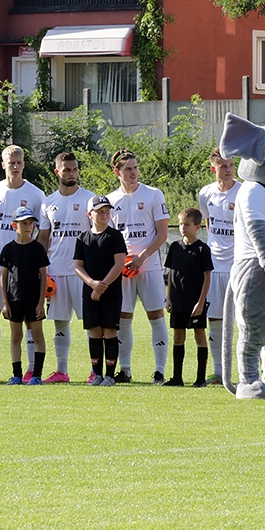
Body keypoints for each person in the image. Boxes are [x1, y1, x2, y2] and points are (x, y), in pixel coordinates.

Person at [0, 145, 45, 382]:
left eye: (18, 162)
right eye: (10, 162)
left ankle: (32, 370)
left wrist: (40, 260)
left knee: (30, 320)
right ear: (3, 165)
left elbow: (44, 231)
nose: (14, 166)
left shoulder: (36, 194)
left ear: (23, 164)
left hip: (27, 270)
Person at [106, 149, 170, 384]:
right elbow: (111, 237)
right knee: (123, 318)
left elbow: (162, 233)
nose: (133, 172)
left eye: (135, 167)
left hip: (149, 265)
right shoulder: (111, 201)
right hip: (123, 270)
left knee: (156, 317)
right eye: (128, 169)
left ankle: (159, 371)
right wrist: (122, 260)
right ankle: (126, 370)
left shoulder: (153, 194)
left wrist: (142, 257)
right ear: (117, 172)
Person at [37, 152, 95, 383]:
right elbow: (43, 239)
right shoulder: (48, 202)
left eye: (75, 169)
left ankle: (95, 370)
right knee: (60, 322)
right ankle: (61, 371)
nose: (72, 173)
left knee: (91, 323)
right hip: (57, 271)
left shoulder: (90, 199)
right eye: (67, 170)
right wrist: (42, 269)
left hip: (83, 272)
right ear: (57, 172)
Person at [73, 195, 128, 386]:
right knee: (94, 331)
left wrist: (102, 285)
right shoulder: (83, 237)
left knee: (110, 330)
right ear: (90, 214)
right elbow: (78, 265)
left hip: (110, 292)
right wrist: (92, 284)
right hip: (90, 292)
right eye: (100, 210)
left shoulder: (114, 236)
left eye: (107, 210)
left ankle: (110, 376)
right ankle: (96, 374)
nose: (105, 213)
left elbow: (119, 263)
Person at [198, 148, 240, 385]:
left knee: (243, 320)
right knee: (215, 320)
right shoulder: (206, 193)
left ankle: (246, 370)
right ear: (213, 168)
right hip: (215, 266)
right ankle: (219, 371)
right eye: (223, 166)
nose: (228, 170)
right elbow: (208, 223)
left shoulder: (243, 191)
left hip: (238, 265)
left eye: (231, 165)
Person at [0, 206, 50, 385]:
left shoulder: (38, 248)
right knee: (15, 336)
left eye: (30, 223)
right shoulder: (8, 249)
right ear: (15, 225)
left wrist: (41, 302)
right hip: (14, 299)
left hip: (33, 299)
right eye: (24, 223)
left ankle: (36, 375)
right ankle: (17, 375)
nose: (28, 226)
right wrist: (5, 302)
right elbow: (3, 277)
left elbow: (43, 276)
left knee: (37, 335)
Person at [163, 208, 213, 387]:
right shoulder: (175, 247)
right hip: (178, 300)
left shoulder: (202, 249)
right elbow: (170, 273)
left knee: (199, 336)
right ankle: (177, 377)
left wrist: (201, 302)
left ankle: (200, 379)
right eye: (181, 224)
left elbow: (207, 276)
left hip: (195, 302)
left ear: (197, 227)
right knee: (178, 337)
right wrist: (168, 298)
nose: (183, 227)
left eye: (187, 224)